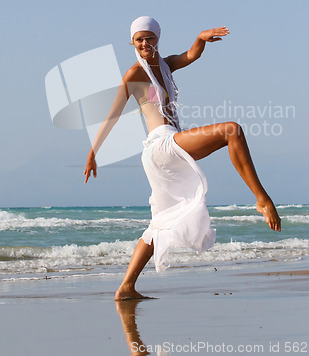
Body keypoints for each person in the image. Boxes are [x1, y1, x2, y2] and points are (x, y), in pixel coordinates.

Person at [84, 16, 281, 301]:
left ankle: (126, 287)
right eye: (138, 39)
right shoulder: (133, 74)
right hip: (160, 145)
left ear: (157, 39)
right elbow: (112, 115)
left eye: (149, 38)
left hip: (169, 144)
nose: (144, 43)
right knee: (232, 131)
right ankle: (262, 199)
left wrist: (200, 39)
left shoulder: (165, 65)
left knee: (158, 223)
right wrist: (93, 153)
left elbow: (190, 55)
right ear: (132, 42)